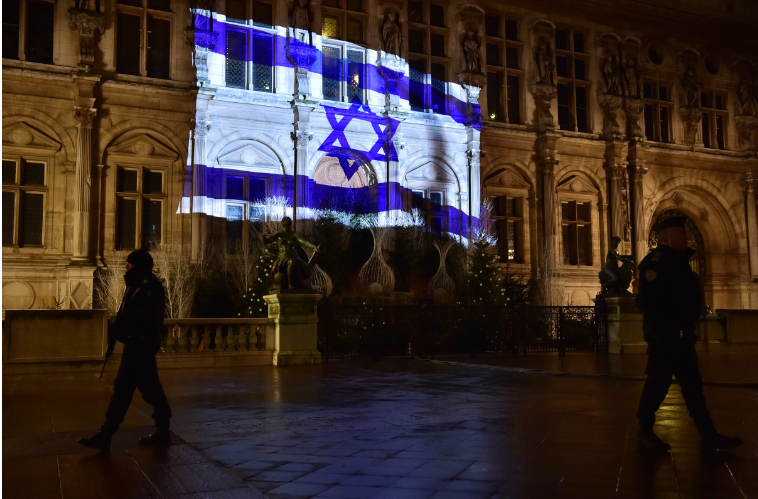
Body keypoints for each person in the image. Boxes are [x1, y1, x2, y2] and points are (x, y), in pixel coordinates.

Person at [635, 217, 742, 452]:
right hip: (666, 336)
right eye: (681, 235)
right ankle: (645, 431)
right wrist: (660, 331)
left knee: (693, 386)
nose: (686, 238)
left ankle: (707, 433)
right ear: (666, 238)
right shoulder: (656, 263)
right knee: (657, 385)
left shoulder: (679, 262)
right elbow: (648, 301)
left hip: (681, 335)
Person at [79, 249, 172, 451]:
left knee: (124, 390)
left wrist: (124, 328)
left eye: (129, 263)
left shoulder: (148, 286)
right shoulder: (136, 285)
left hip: (141, 344)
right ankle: (161, 429)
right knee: (149, 388)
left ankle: (107, 434)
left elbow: (144, 317)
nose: (126, 266)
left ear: (137, 265)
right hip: (137, 344)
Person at [263, 216, 319, 290]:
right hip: (283, 257)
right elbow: (266, 242)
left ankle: (299, 283)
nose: (288, 227)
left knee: (307, 270)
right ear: (283, 224)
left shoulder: (293, 234)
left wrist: (314, 247)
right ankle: (290, 284)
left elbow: (304, 242)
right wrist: (263, 235)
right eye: (286, 225)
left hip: (294, 256)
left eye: (289, 225)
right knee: (291, 262)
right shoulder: (279, 234)